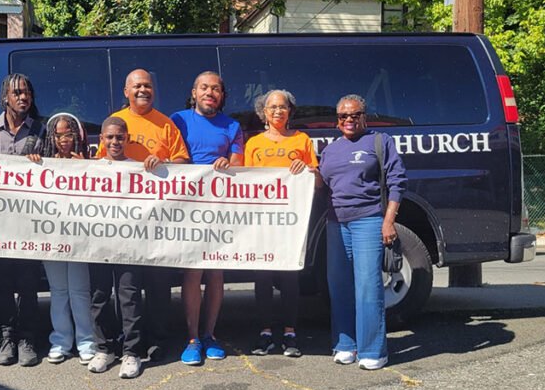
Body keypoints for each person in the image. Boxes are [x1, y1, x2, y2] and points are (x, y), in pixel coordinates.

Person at [95, 68, 189, 358]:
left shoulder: (165, 124)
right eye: (136, 86)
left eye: (147, 85)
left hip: (157, 219)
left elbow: (184, 162)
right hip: (122, 222)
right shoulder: (117, 124)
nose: (143, 90)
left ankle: (158, 340)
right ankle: (127, 340)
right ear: (126, 91)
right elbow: (101, 165)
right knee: (128, 288)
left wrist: (162, 163)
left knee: (158, 284)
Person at [318, 94, 407, 371]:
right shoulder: (330, 150)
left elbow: (397, 182)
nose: (348, 120)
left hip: (368, 220)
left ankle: (373, 350)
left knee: (368, 286)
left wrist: (388, 221)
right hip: (336, 223)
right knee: (339, 286)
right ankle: (345, 344)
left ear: (364, 117)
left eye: (354, 115)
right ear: (337, 120)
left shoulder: (380, 142)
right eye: (343, 116)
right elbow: (320, 184)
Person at [170, 71, 245, 365]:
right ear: (194, 92)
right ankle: (192, 338)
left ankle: (210, 334)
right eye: (204, 87)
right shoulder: (177, 120)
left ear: (222, 96)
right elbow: (170, 155)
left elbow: (240, 164)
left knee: (215, 272)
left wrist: (229, 162)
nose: (209, 93)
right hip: (186, 207)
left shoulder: (233, 126)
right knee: (192, 272)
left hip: (219, 207)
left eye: (215, 89)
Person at [244, 89, 319, 358]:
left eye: (283, 107)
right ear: (263, 112)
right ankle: (265, 333)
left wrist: (308, 170)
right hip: (262, 224)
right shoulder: (253, 144)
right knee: (262, 278)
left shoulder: (302, 140)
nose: (278, 111)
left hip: (291, 224)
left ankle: (290, 333)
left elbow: (317, 182)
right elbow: (245, 184)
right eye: (272, 107)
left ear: (290, 111)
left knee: (289, 278)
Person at [0, 73, 45, 366]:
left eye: (27, 92)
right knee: (1, 283)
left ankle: (28, 338)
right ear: (5, 97)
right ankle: (7, 337)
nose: (23, 97)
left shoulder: (43, 130)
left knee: (29, 282)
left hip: (31, 223)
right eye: (17, 93)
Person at [26, 113, 97, 366]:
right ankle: (60, 342)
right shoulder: (43, 162)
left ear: (76, 136)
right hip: (51, 235)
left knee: (79, 291)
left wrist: (84, 167)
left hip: (78, 236)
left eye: (69, 134)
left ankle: (87, 342)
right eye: (59, 134)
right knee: (58, 291)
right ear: (52, 137)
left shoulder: (88, 162)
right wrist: (33, 163)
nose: (64, 139)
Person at [88, 116, 145, 378]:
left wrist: (154, 167)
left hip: (129, 245)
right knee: (99, 296)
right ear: (101, 139)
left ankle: (131, 353)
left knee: (128, 296)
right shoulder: (91, 169)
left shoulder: (139, 168)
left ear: (128, 139)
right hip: (99, 244)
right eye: (109, 137)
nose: (114, 142)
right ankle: (105, 349)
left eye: (119, 137)